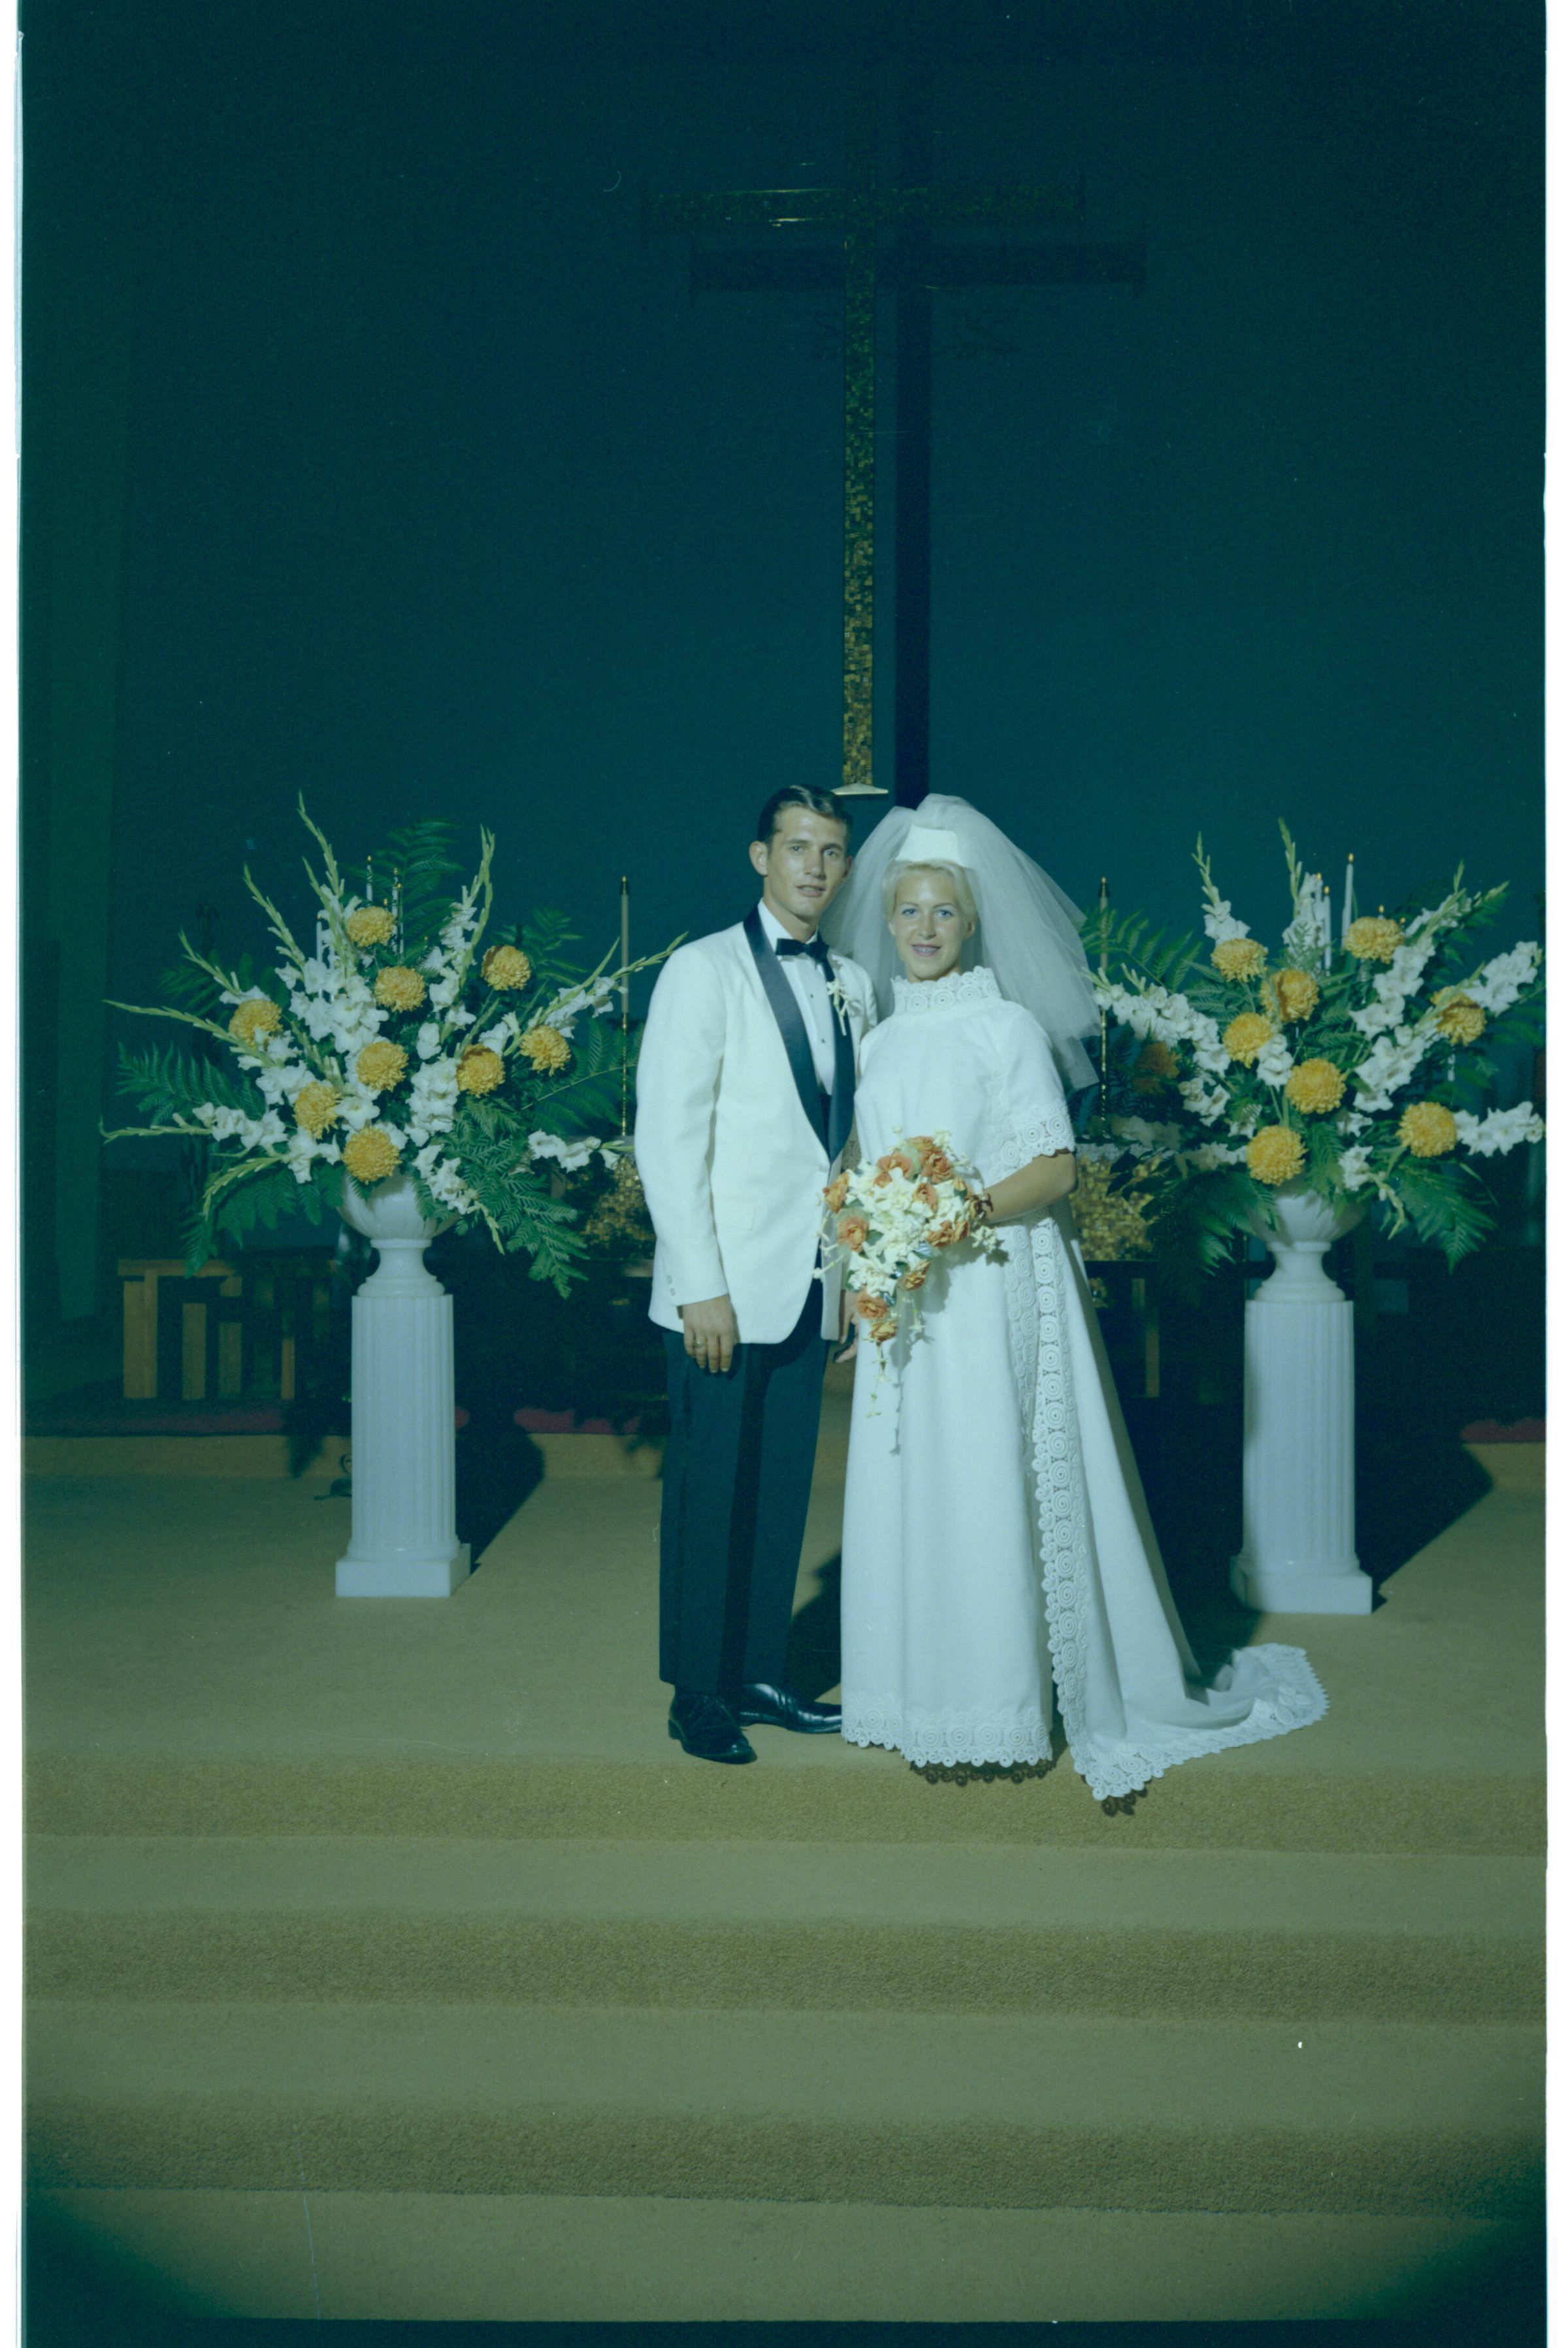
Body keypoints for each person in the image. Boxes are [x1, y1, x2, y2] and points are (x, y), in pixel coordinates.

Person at [823, 796, 1327, 1804]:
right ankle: (917, 1692)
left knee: (986, 1477)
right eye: (910, 910)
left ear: (972, 919)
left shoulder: (1005, 1026)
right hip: (906, 1304)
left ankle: (999, 1700)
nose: (925, 928)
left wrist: (958, 1211)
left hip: (989, 1284)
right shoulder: (875, 1041)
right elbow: (862, 1171)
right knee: (913, 1482)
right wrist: (862, 1266)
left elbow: (1055, 1169)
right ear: (887, 917)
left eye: (944, 911)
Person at [634, 786, 877, 1763]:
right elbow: (667, 1137)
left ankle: (762, 1674)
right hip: (722, 1291)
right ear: (760, 856)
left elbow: (849, 1148)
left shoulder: (853, 981)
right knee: (709, 1494)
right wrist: (699, 1284)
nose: (814, 867)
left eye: (831, 851)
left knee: (781, 1491)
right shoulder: (702, 970)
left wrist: (850, 1277)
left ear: (846, 866)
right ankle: (698, 1692)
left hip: (811, 1283)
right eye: (797, 848)